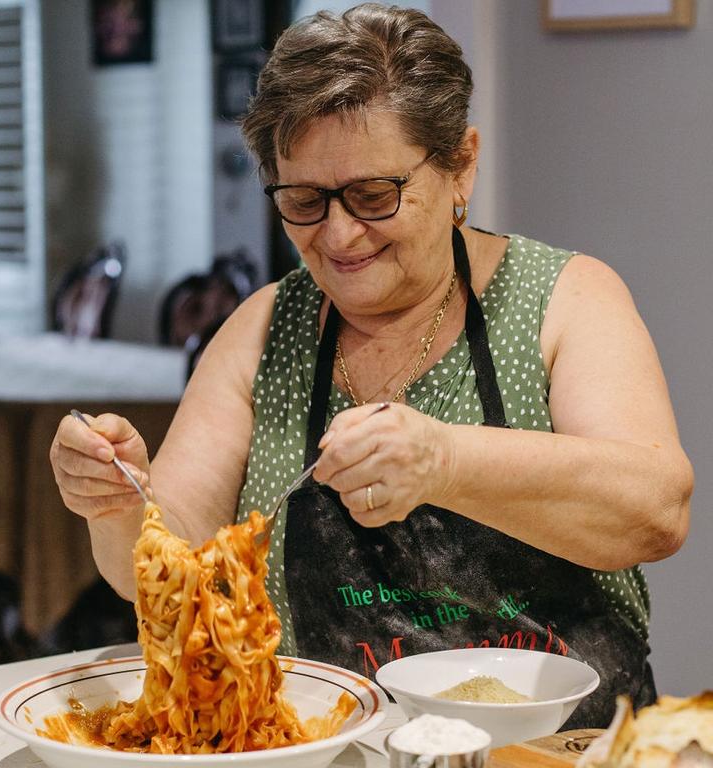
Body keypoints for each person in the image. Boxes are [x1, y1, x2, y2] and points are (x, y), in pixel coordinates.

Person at [50, 3, 693, 728]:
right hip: (326, 746)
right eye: (304, 200)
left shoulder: (563, 300)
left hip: (560, 750)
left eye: (373, 195)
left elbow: (655, 510)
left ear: (460, 167)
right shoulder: (263, 330)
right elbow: (166, 559)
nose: (340, 233)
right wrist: (116, 507)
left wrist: (444, 460)